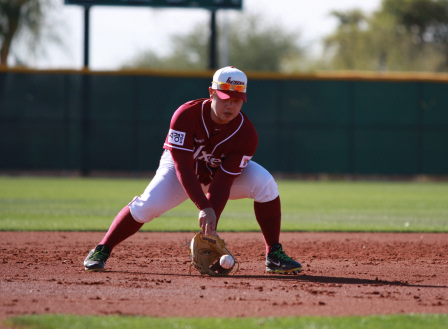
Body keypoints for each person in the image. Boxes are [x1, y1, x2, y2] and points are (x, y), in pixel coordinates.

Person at [83, 66, 302, 275]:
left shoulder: (246, 134)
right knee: (147, 206)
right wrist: (203, 206)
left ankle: (273, 254)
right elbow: (182, 167)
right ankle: (102, 249)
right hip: (181, 171)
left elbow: (223, 182)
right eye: (225, 99)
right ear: (212, 93)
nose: (231, 106)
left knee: (266, 184)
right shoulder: (186, 115)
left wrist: (211, 224)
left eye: (237, 101)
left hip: (217, 175)